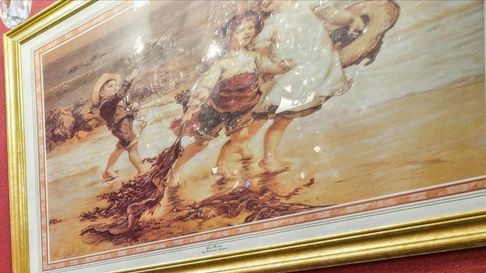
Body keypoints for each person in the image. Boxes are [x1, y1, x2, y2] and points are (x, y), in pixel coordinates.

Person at [168, 10, 294, 187]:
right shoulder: (222, 64)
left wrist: (283, 67)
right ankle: (175, 170)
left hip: (242, 109)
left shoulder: (254, 57)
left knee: (241, 137)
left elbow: (269, 68)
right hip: (216, 109)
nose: (248, 32)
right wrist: (190, 110)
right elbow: (205, 87)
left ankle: (220, 166)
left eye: (250, 28)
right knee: (201, 143)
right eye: (241, 30)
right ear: (228, 36)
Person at [250, 0, 364, 173]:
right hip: (293, 77)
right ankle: (267, 158)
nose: (265, 2)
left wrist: (351, 18)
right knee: (281, 117)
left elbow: (331, 14)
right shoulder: (271, 24)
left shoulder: (305, 4)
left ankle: (252, 149)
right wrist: (270, 67)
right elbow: (260, 53)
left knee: (284, 116)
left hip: (317, 66)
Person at [93, 71, 146, 181]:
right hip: (121, 129)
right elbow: (119, 96)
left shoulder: (115, 102)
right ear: (102, 93)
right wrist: (128, 81)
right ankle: (141, 170)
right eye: (111, 86)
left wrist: (133, 108)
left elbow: (123, 112)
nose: (115, 87)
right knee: (133, 146)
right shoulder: (106, 104)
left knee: (120, 148)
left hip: (124, 127)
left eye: (116, 85)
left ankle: (108, 169)